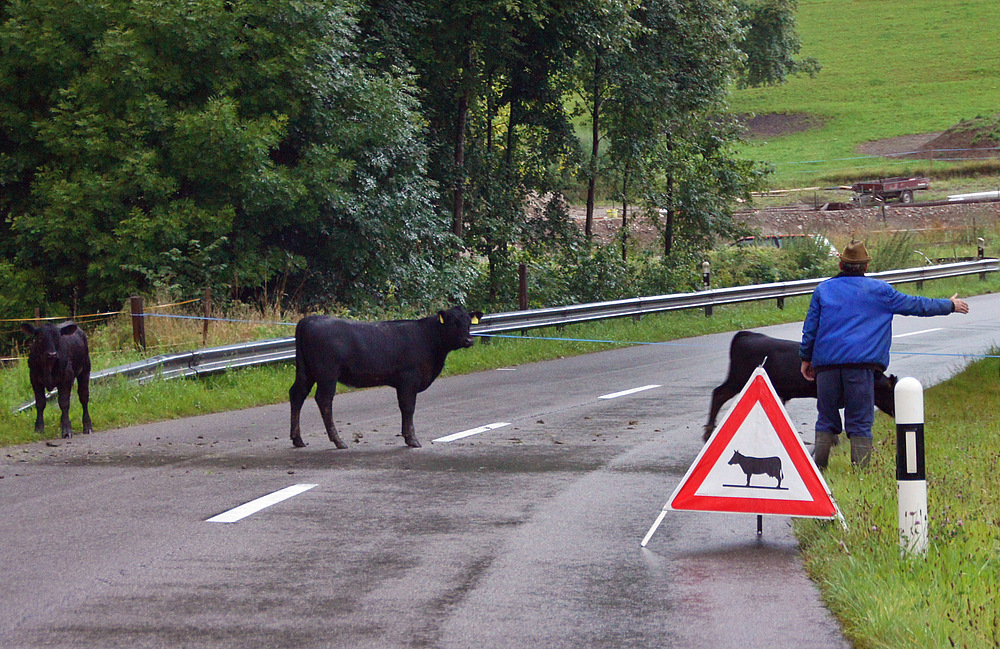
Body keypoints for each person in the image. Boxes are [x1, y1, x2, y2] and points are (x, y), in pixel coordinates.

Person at [799, 240, 969, 468]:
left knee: (826, 418)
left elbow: (811, 328)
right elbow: (916, 305)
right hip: (861, 367)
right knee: (859, 421)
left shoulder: (823, 290)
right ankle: (860, 474)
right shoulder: (881, 291)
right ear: (866, 267)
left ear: (840, 264)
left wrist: (806, 358)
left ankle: (818, 469)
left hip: (826, 366)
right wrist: (949, 305)